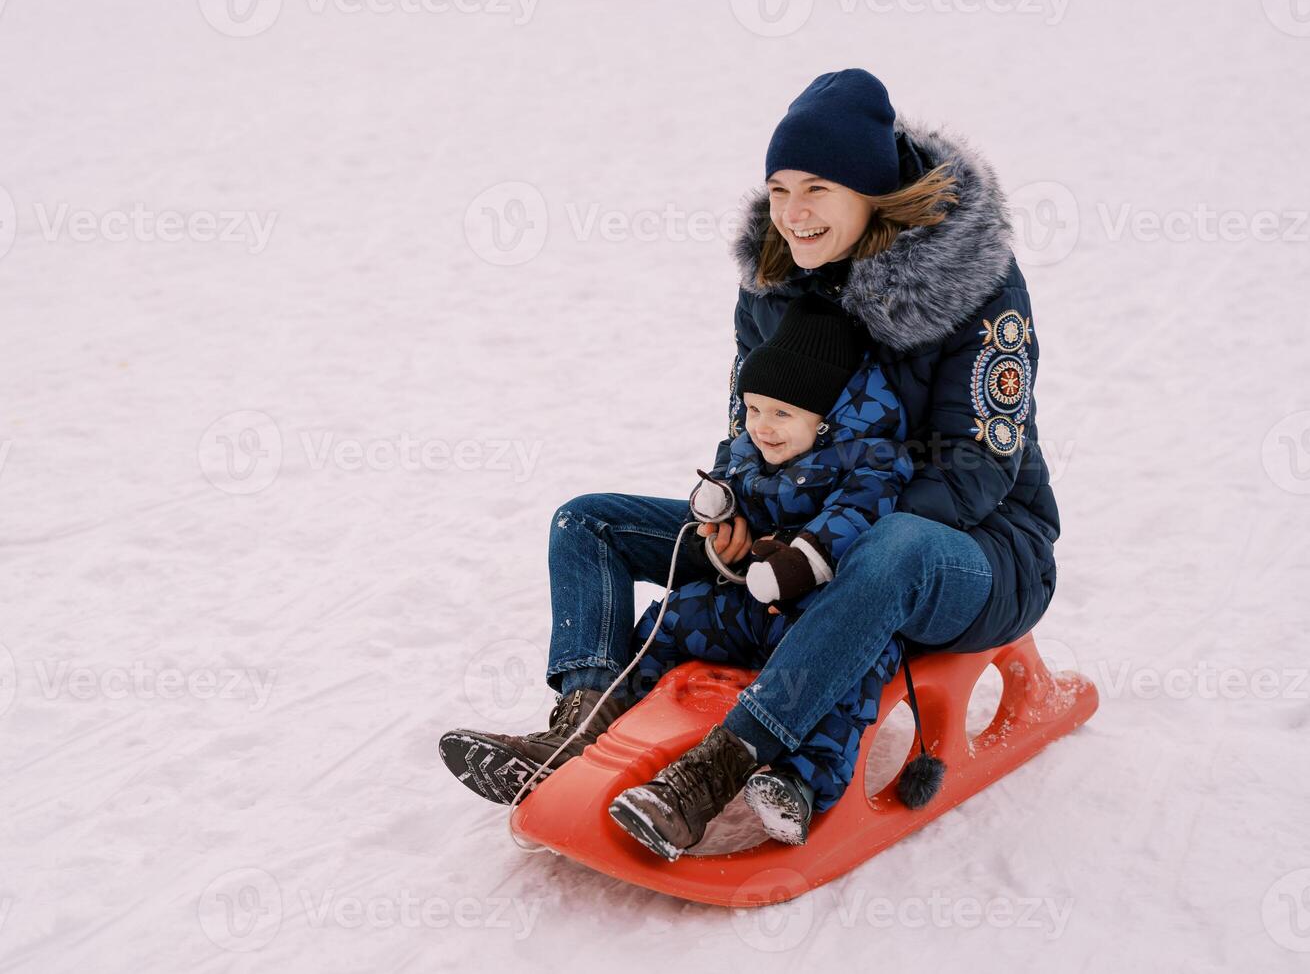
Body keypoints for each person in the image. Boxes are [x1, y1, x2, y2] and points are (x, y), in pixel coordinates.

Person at [438, 68, 1060, 862]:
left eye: (817, 190)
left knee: (891, 546)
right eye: (778, 189)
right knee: (588, 521)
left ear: (873, 193)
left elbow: (979, 464)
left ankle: (720, 766)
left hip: (976, 549)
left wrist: (826, 547)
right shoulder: (772, 280)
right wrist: (738, 510)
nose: (793, 215)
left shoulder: (978, 286)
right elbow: (750, 423)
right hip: (793, 533)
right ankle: (579, 724)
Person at [601, 291, 912, 857]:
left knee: (853, 672)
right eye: (753, 409)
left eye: (782, 414)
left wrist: (798, 561)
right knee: (672, 615)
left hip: (824, 618)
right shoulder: (752, 446)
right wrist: (718, 506)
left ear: (825, 418)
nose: (763, 427)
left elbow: (858, 517)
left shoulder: (869, 458)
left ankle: (799, 784)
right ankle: (611, 708)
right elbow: (731, 483)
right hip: (749, 604)